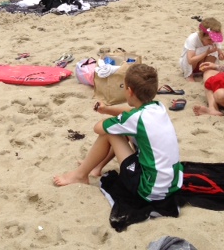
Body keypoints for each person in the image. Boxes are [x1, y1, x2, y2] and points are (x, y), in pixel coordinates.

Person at [53, 64, 183, 205]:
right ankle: (96, 167)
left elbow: (98, 128)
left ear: (129, 91)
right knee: (123, 131)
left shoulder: (135, 119)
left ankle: (80, 175)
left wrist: (111, 118)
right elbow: (131, 112)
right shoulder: (158, 107)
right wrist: (107, 110)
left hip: (149, 189)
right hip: (170, 183)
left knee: (110, 133)